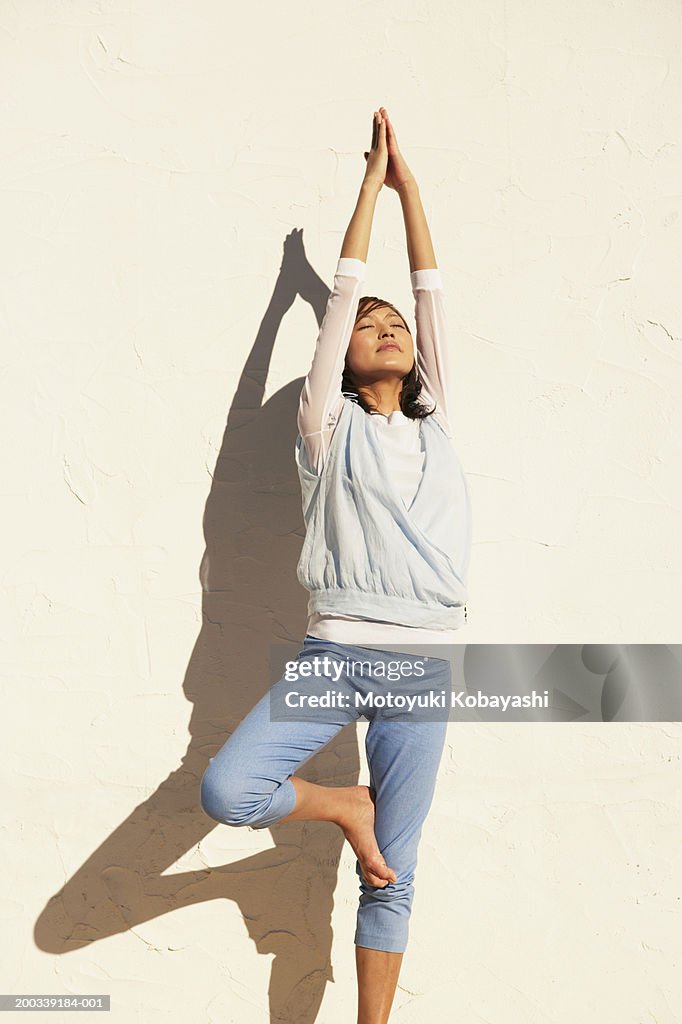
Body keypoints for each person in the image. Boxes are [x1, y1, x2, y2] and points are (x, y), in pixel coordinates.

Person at [200, 106, 472, 1024]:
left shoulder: (441, 425)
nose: (387, 328)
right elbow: (346, 297)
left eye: (396, 325)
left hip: (425, 665)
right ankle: (343, 806)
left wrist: (413, 191)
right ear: (344, 360)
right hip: (338, 654)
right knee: (229, 789)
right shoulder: (325, 428)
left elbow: (431, 293)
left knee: (395, 869)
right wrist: (367, 192)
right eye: (367, 326)